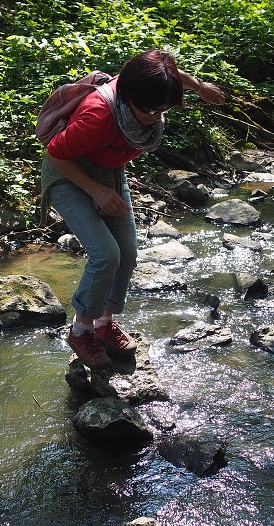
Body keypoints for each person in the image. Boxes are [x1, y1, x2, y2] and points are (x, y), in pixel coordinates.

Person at [40, 49, 225, 369]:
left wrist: (201, 87)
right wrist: (95, 190)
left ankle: (103, 324)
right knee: (105, 254)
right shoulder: (98, 116)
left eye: (165, 108)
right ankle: (80, 330)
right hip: (69, 175)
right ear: (129, 97)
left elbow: (172, 76)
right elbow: (56, 154)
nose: (158, 116)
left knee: (127, 253)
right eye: (153, 109)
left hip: (110, 173)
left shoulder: (148, 87)